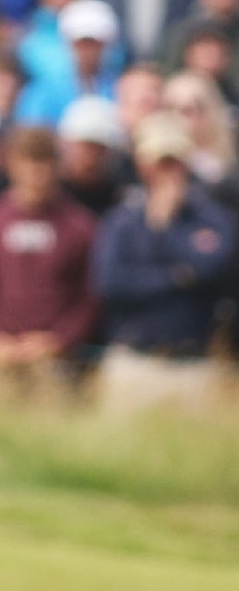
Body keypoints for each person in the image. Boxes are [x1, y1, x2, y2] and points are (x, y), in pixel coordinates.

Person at [92, 113, 235, 413]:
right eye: (160, 161)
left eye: (175, 160)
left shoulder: (211, 217)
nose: (168, 170)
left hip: (194, 363)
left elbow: (213, 269)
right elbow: (112, 285)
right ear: (143, 165)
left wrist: (164, 229)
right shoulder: (123, 221)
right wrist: (178, 276)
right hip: (135, 359)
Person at [0, 127, 100, 400]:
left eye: (45, 163)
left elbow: (91, 295)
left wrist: (59, 340)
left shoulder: (80, 226)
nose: (36, 174)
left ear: (57, 167)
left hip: (57, 364)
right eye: (29, 163)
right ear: (12, 165)